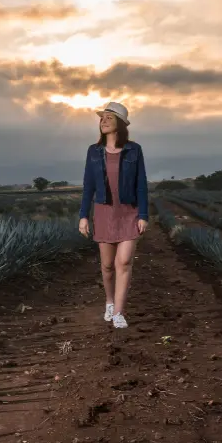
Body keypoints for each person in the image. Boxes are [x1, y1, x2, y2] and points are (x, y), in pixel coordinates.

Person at [77, 101, 148, 329]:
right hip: (104, 212)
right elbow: (88, 185)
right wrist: (83, 215)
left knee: (124, 262)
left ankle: (119, 312)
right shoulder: (94, 151)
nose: (103, 120)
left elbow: (141, 184)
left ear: (120, 123)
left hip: (129, 211)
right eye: (102, 118)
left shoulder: (134, 150)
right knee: (107, 266)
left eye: (109, 117)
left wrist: (143, 214)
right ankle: (109, 301)